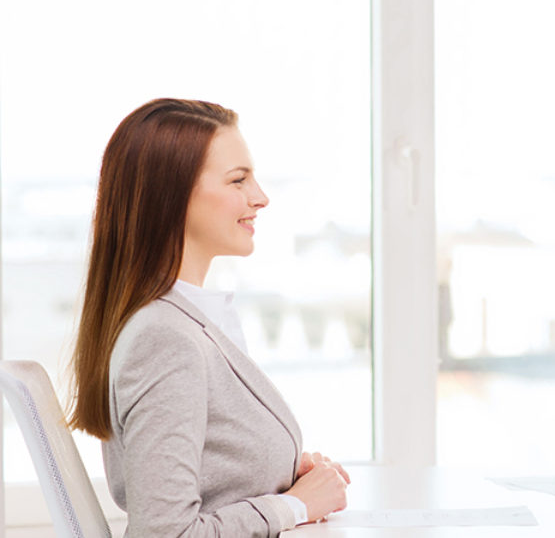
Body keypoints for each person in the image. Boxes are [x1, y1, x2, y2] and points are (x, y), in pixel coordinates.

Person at [67, 98, 349, 537]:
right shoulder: (164, 338)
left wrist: (283, 473)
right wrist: (293, 506)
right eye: (239, 180)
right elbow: (165, 533)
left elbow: (210, 476)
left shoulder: (182, 322)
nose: (261, 197)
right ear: (172, 195)